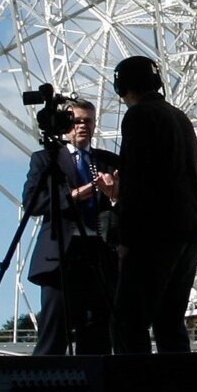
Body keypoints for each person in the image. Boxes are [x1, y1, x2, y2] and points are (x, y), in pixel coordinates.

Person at [99, 55, 197, 354]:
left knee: (127, 322)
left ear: (122, 87)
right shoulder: (180, 117)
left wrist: (126, 238)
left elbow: (138, 180)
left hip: (155, 233)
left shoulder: (139, 116)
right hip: (189, 231)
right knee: (170, 322)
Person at [21, 98, 121, 355]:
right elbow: (33, 204)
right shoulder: (46, 160)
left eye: (88, 121)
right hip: (61, 255)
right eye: (76, 121)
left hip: (99, 253)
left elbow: (131, 209)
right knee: (54, 334)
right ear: (66, 124)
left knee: (98, 336)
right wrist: (77, 195)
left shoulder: (110, 162)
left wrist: (113, 197)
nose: (82, 126)